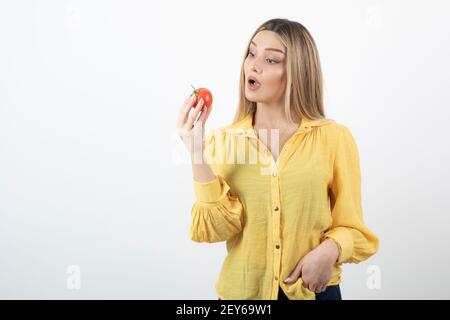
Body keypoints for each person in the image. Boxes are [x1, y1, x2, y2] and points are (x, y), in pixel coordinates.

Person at [176, 18, 379, 300]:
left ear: (297, 72)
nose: (254, 65)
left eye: (271, 60)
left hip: (313, 293)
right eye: (251, 53)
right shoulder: (222, 141)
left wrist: (330, 249)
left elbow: (354, 229)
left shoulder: (334, 138)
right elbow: (215, 230)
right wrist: (196, 153)